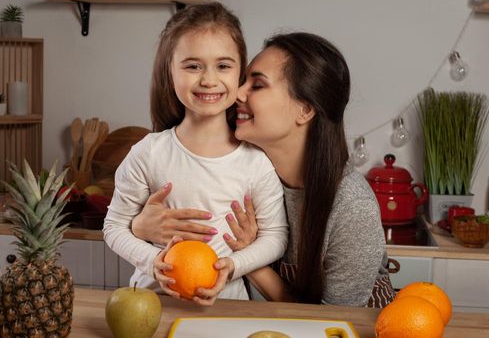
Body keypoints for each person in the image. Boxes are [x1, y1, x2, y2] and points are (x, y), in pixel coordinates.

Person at [132, 31, 395, 307]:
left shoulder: (352, 206)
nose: (237, 92)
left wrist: (250, 259)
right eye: (242, 81)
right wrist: (140, 226)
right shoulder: (250, 171)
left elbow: (332, 322)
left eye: (256, 86)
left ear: (304, 109)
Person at [103, 2, 288, 306]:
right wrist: (155, 260)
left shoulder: (256, 161)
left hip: (228, 307)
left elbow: (276, 238)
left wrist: (234, 266)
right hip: (151, 304)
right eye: (193, 66)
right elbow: (113, 228)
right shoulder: (148, 153)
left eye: (223, 66)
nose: (209, 80)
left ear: (240, 71)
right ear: (170, 71)